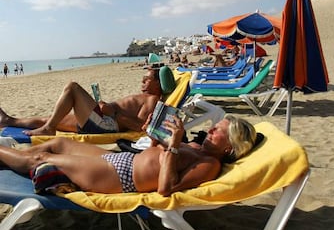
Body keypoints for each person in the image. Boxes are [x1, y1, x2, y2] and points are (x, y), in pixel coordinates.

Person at [0, 115, 257, 196]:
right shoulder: (199, 149)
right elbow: (158, 155)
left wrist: (176, 144)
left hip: (120, 177)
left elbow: (167, 188)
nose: (211, 128)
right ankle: (9, 156)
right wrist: (154, 135)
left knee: (41, 160)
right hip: (122, 160)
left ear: (229, 148)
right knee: (58, 142)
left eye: (219, 131)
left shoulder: (210, 164)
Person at [0, 67, 169, 136]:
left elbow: (140, 126)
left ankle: (48, 129)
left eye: (146, 80)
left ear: (157, 83)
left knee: (72, 87)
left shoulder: (152, 100)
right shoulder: (147, 97)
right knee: (52, 118)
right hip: (104, 118)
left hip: (107, 123)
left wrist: (113, 113)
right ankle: (10, 121)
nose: (142, 83)